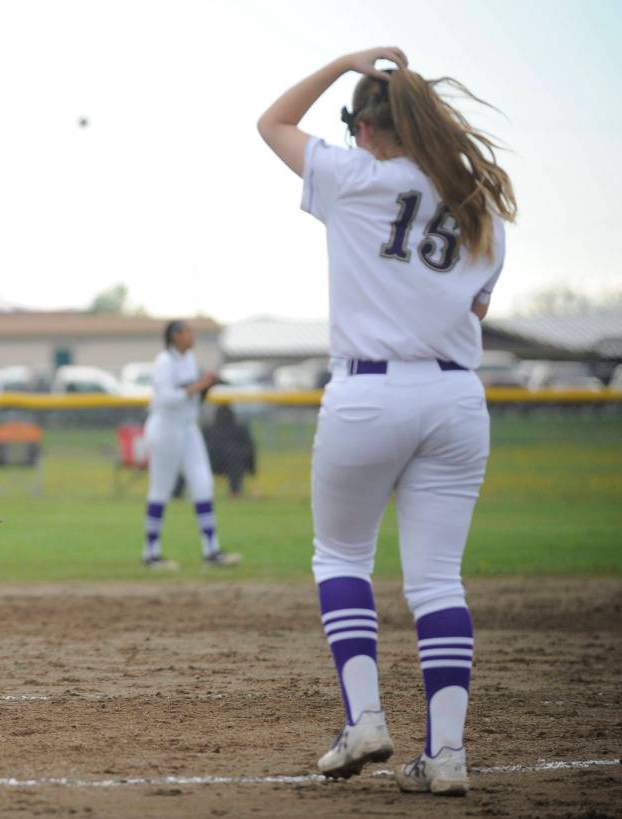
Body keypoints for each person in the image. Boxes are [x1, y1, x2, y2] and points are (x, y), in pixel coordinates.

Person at [258, 47, 515, 795]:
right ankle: (448, 755)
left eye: (356, 123)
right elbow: (477, 305)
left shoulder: (353, 176)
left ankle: (365, 717)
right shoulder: (480, 203)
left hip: (369, 392)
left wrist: (342, 64)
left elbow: (270, 122)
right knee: (437, 582)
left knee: (341, 557)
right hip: (456, 396)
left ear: (369, 127)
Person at [142, 320, 241, 570]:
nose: (192, 336)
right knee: (161, 489)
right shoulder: (164, 362)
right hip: (166, 428)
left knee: (203, 484)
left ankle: (211, 550)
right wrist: (200, 384)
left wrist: (208, 383)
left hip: (188, 427)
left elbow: (196, 393)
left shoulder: (189, 359)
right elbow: (166, 398)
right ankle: (151, 552)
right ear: (176, 336)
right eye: (187, 332)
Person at [202, 404, 256, 497]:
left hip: (230, 464)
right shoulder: (208, 430)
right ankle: (177, 494)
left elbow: (249, 447)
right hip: (211, 462)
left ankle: (235, 492)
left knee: (235, 458)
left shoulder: (239, 429)